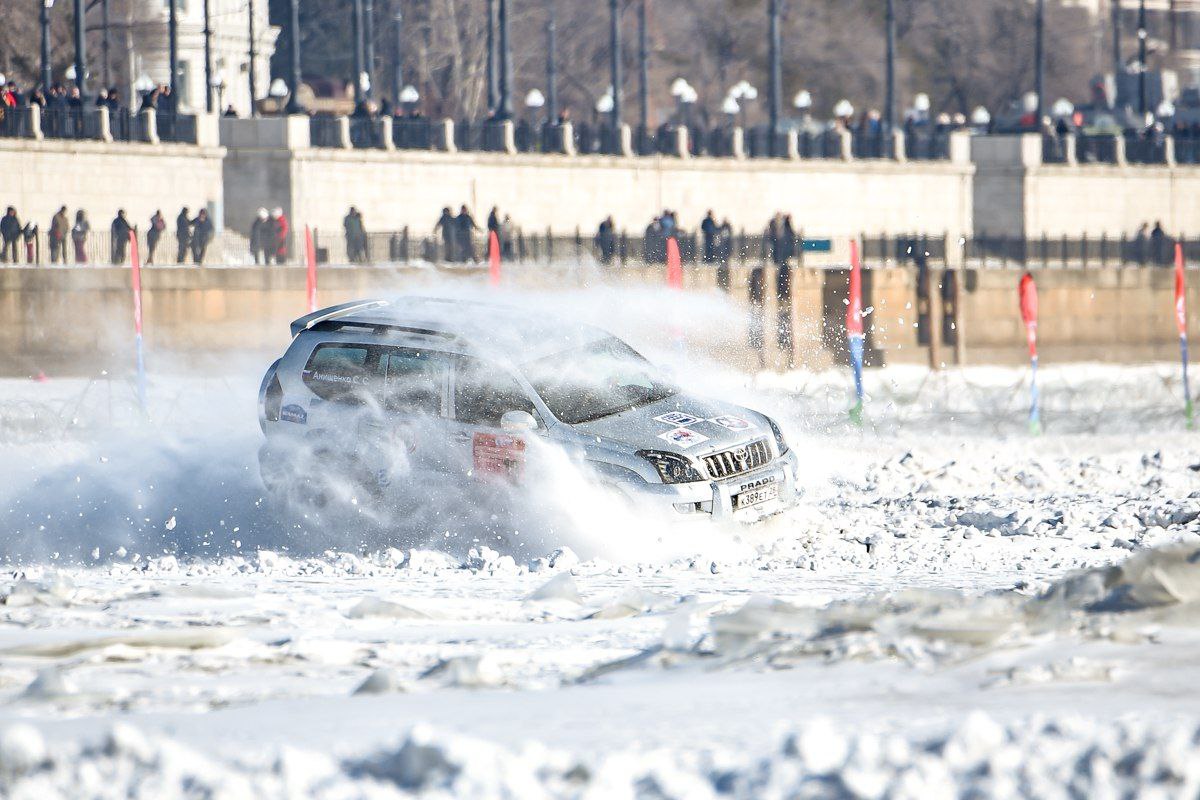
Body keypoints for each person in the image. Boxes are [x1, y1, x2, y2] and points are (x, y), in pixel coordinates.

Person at [716, 218, 734, 291]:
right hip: (724, 253)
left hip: (724, 253)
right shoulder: (726, 233)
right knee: (723, 265)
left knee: (724, 265)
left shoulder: (723, 233)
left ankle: (724, 287)